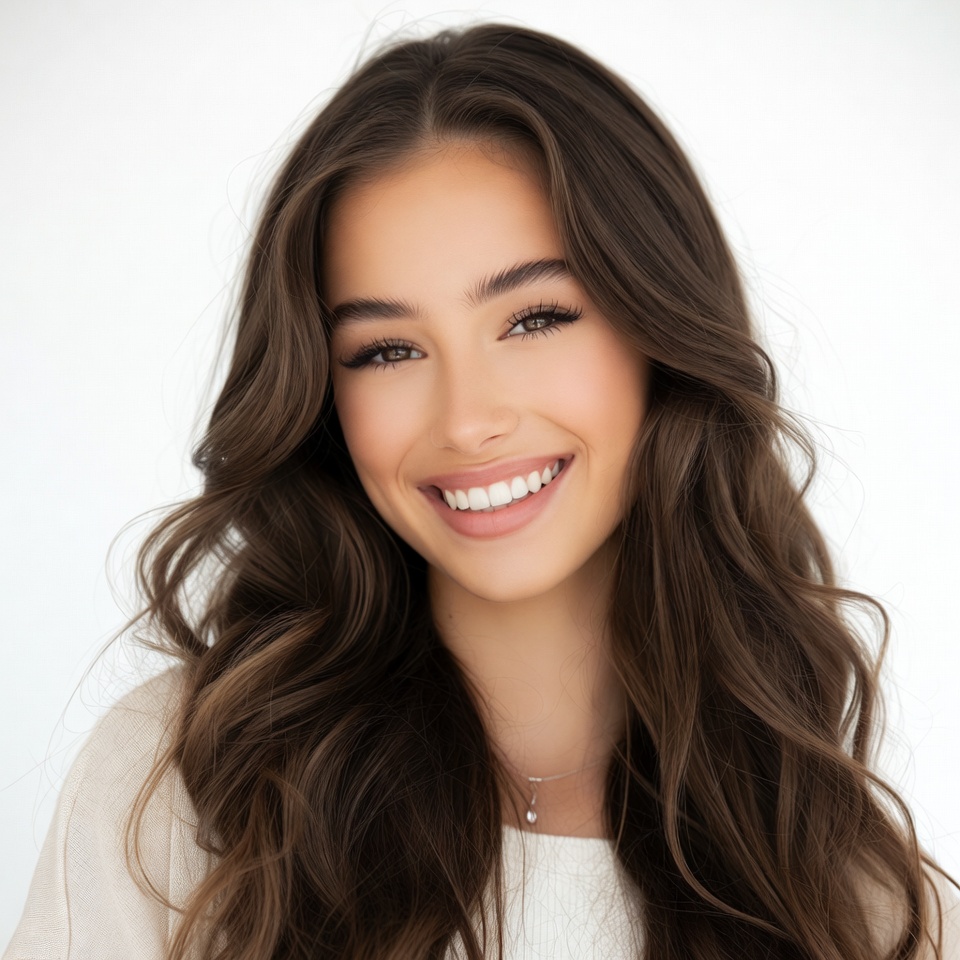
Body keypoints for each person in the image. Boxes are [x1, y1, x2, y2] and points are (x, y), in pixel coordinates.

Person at [4, 22, 957, 960]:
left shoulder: (852, 902)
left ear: (659, 329)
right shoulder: (187, 788)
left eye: (535, 318)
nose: (467, 419)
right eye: (387, 349)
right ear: (323, 396)